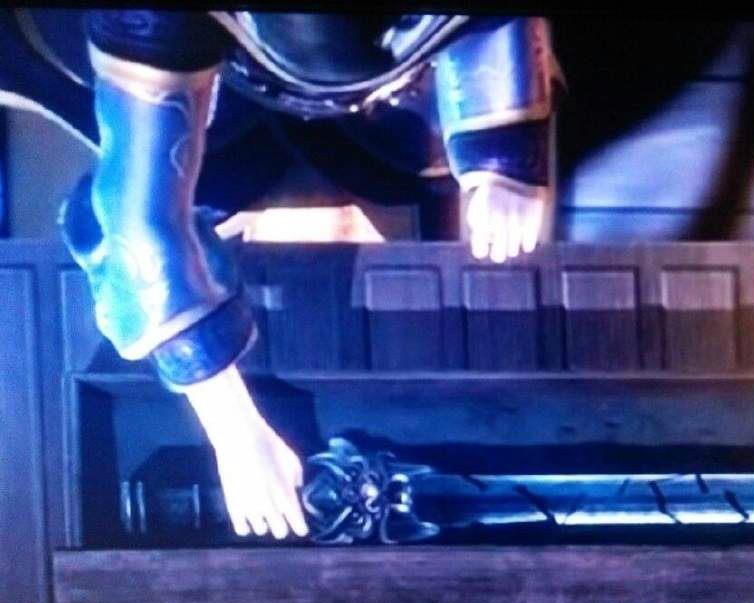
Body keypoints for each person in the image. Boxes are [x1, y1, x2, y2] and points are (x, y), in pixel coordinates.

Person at [34, 10, 561, 540]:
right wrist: (236, 431)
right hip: (222, 94)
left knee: (431, 163)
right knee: (112, 213)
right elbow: (138, 224)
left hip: (383, 90)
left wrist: (503, 156)